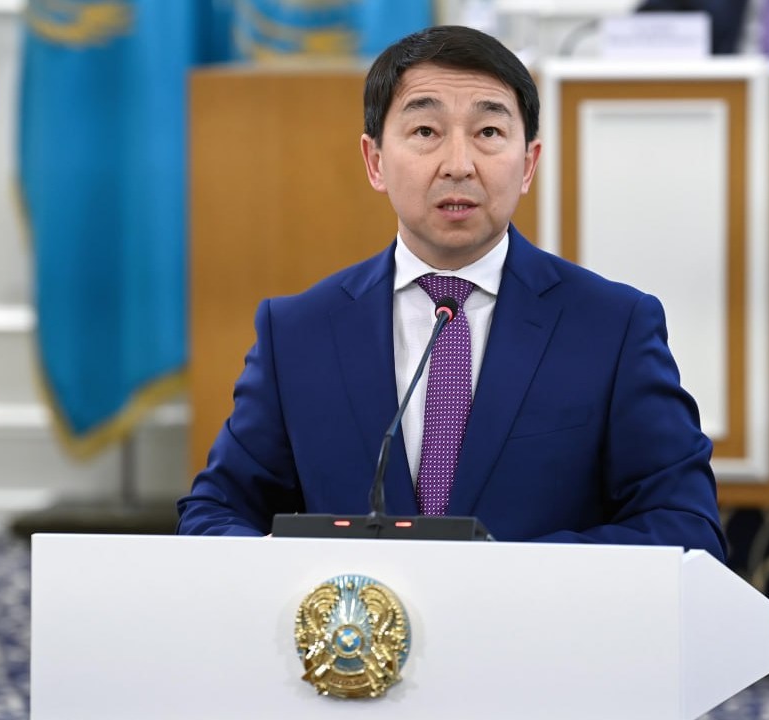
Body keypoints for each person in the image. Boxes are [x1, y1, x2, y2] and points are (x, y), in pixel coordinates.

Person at [176, 25, 726, 560]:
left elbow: (687, 528)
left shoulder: (612, 327)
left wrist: (506, 576)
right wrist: (285, 571)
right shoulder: (298, 333)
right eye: (425, 132)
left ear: (528, 163)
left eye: (488, 133)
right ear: (375, 162)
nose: (458, 165)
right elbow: (215, 512)